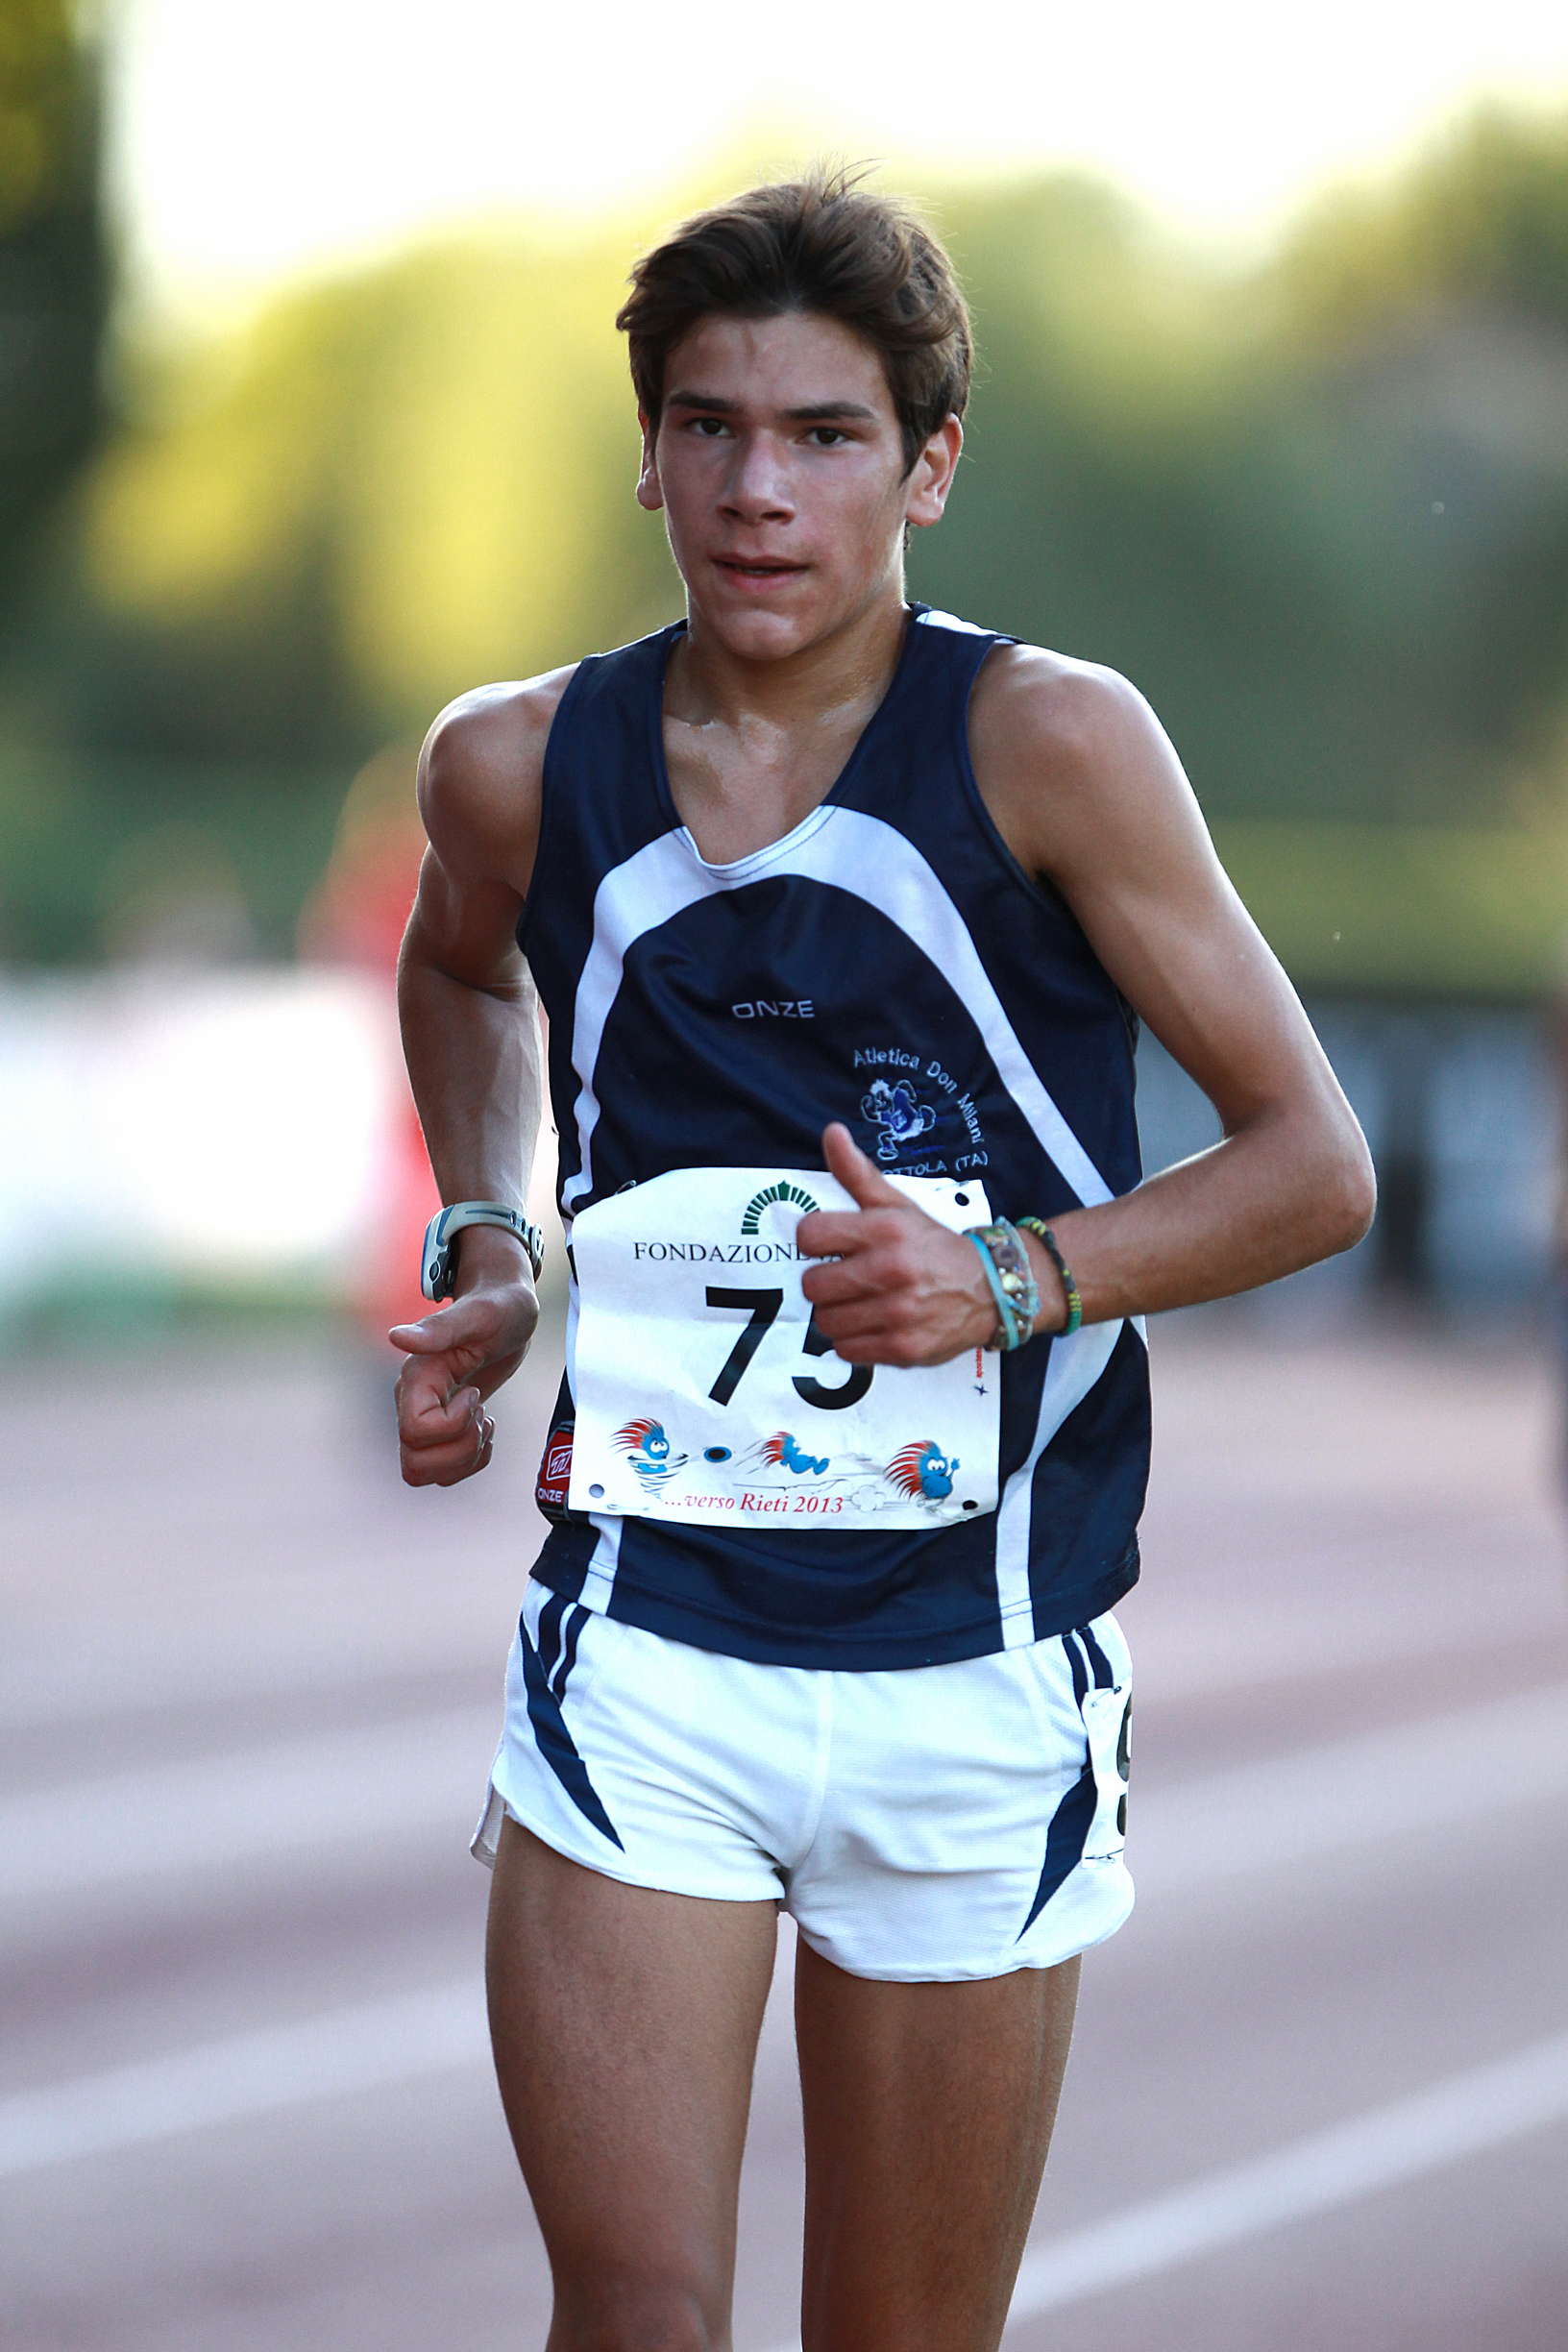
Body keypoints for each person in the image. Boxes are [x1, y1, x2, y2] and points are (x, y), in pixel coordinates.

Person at [387, 168, 1376, 2352]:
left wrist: (1013, 1280)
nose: (761, 490)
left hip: (978, 1660)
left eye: (826, 434)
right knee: (635, 2320)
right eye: (713, 428)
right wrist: (497, 1235)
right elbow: (460, 973)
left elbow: (1315, 1166)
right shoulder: (514, 764)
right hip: (651, 1638)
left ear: (929, 465)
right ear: (649, 452)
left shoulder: (1052, 744)